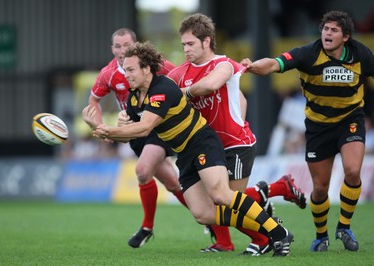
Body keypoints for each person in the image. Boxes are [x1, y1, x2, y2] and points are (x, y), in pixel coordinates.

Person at [83, 41, 294, 256]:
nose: (126, 75)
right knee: (203, 214)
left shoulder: (162, 88)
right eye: (124, 70)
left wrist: (106, 129)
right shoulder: (134, 97)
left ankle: (277, 232)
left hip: (202, 143)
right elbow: (129, 136)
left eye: (131, 69)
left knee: (221, 195)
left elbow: (144, 128)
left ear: (146, 69)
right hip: (184, 154)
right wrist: (104, 129)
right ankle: (268, 220)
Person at [167, 13, 306, 255]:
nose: (186, 49)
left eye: (190, 44)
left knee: (228, 203)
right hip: (204, 148)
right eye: (183, 45)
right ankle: (276, 192)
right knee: (207, 211)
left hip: (234, 145)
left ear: (207, 41)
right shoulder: (179, 73)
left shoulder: (224, 64)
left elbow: (212, 86)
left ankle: (270, 234)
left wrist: (236, 123)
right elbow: (161, 99)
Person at [241, 10, 374, 252]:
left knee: (353, 171)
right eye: (325, 29)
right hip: (318, 127)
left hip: (349, 120)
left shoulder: (361, 54)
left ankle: (344, 227)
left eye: (334, 30)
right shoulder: (308, 54)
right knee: (320, 187)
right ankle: (321, 235)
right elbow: (275, 63)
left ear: (345, 37)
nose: (328, 34)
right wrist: (252, 67)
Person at [84, 28, 187, 248]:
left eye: (126, 45)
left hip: (158, 126)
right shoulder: (108, 74)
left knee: (142, 170)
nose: (122, 51)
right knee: (173, 183)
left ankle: (147, 226)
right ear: (112, 49)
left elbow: (183, 79)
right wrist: (101, 126)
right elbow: (93, 101)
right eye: (117, 46)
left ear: (135, 44)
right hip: (133, 131)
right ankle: (217, 229)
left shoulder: (155, 63)